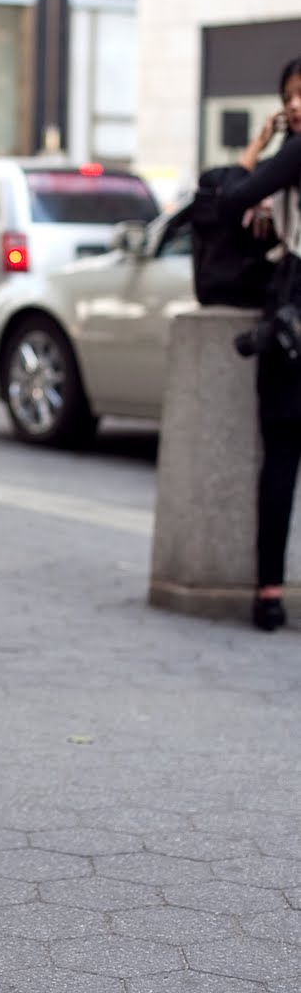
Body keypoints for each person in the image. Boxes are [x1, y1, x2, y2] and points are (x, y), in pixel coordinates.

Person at [222, 57, 301, 631]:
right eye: (289, 96)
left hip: (290, 325)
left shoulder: (293, 155)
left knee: (281, 454)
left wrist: (256, 147)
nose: (295, 105)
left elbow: (228, 198)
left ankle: (269, 593)